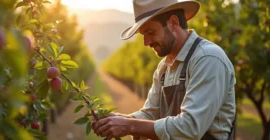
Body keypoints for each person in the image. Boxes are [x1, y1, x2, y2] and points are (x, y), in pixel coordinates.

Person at [92, 0, 236, 139]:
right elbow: (150, 114)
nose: (146, 42)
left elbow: (190, 128)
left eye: (150, 32)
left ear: (173, 23)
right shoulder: (164, 68)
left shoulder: (207, 59)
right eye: (144, 35)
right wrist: (118, 119)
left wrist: (129, 125)